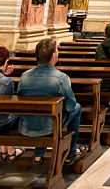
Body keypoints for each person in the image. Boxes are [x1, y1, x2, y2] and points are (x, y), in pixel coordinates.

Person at [18, 38, 84, 166]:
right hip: (49, 126)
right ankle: (71, 150)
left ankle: (38, 155)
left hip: (26, 125)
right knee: (77, 108)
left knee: (43, 112)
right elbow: (70, 106)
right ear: (54, 55)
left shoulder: (24, 76)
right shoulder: (61, 78)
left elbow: (20, 97)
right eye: (57, 50)